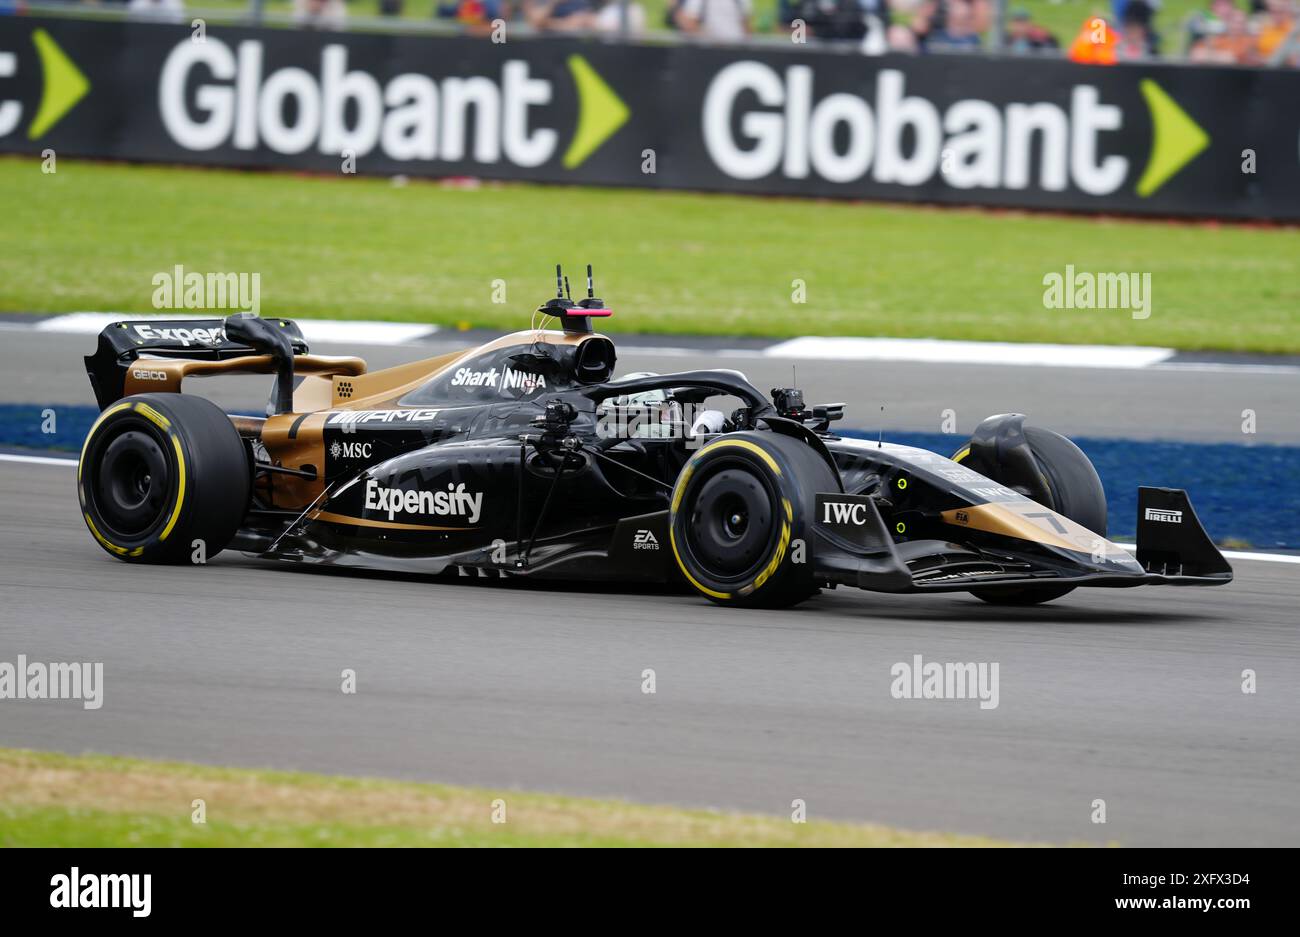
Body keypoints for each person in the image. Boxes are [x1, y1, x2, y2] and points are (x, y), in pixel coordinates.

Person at [675, 0, 752, 42]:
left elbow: (746, 25)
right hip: (711, 48)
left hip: (736, 46)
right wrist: (708, 38)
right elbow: (690, 23)